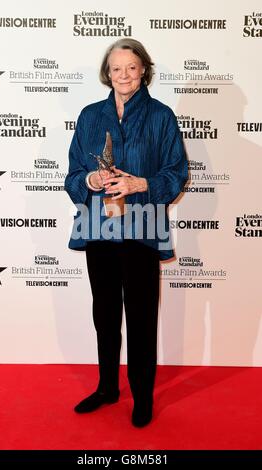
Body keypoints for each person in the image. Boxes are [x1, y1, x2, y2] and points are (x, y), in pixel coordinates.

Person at [64, 38, 188, 427]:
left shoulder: (161, 116)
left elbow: (177, 174)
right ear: (107, 73)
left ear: (143, 70)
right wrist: (90, 179)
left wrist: (141, 185)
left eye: (131, 68)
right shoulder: (89, 117)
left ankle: (143, 396)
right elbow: (70, 178)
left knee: (140, 317)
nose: (124, 75)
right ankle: (106, 387)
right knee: (104, 315)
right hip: (98, 228)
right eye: (116, 68)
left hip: (142, 227)